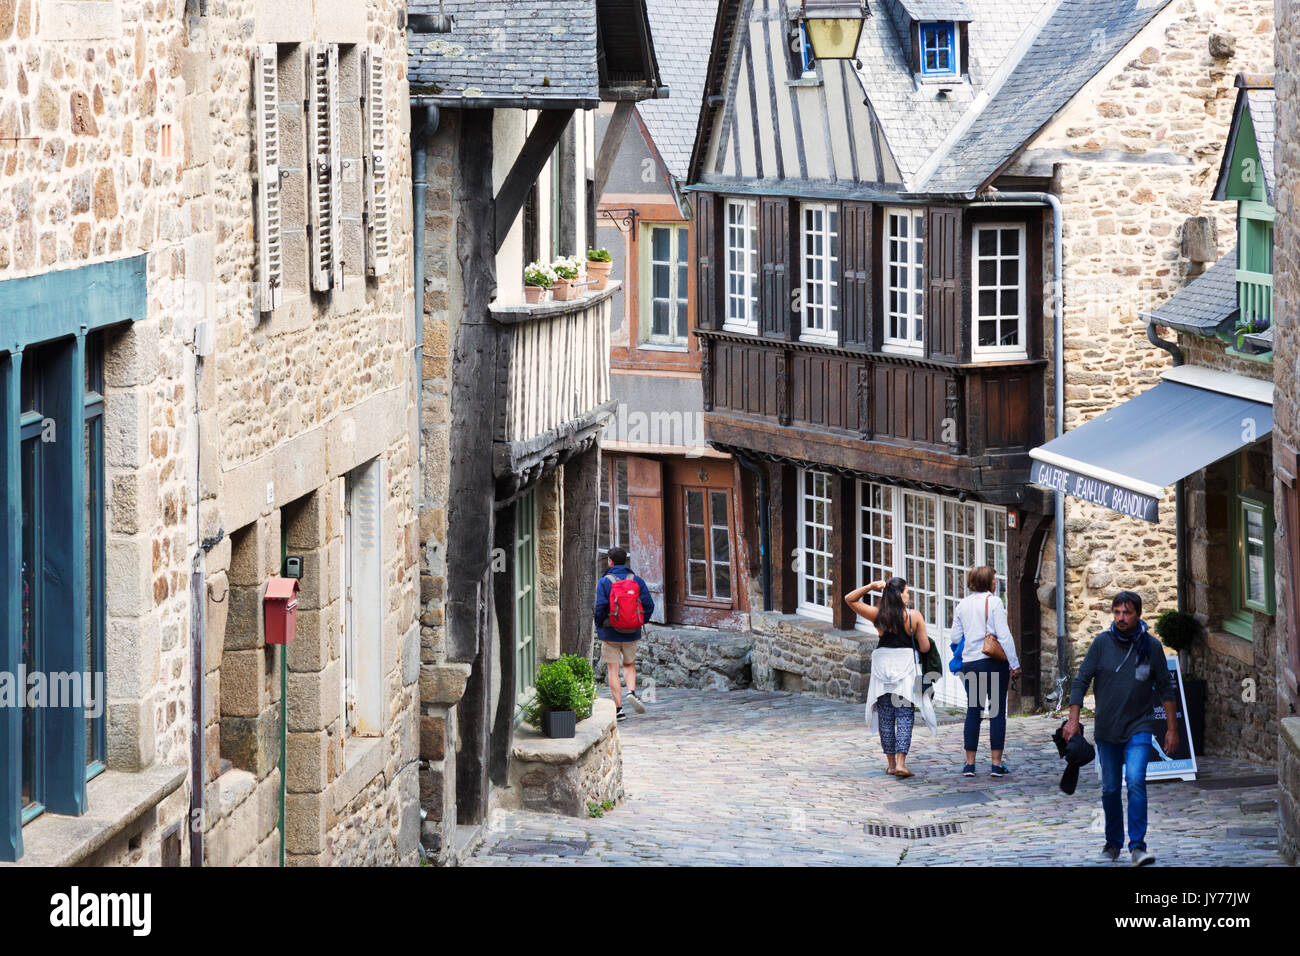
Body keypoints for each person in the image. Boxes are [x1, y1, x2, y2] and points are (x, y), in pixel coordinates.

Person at [1063, 591, 1179, 867]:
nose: (1121, 618)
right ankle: (1113, 843)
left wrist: (1172, 729)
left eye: (1127, 613)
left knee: (1136, 780)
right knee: (1111, 788)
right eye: (1117, 612)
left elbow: (1166, 688)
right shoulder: (1102, 644)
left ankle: (1138, 846)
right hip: (1107, 729)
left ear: (1138, 614)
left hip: (1139, 726)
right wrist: (1072, 719)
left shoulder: (1150, 646)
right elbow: (1081, 681)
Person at [846, 577, 937, 778]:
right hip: (904, 667)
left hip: (882, 668)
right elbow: (924, 647)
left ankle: (890, 764)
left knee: (886, 715)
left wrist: (870, 587)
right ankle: (902, 763)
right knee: (904, 714)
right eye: (906, 591)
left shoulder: (879, 615)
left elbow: (849, 599)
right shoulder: (914, 617)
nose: (908, 595)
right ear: (899, 594)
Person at [947, 566, 1021, 778]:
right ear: (988, 582)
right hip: (993, 663)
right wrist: (1014, 664)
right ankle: (996, 764)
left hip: (972, 663)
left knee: (974, 711)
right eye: (994, 579)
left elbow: (954, 637)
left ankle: (969, 763)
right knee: (996, 712)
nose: (996, 582)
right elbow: (1004, 636)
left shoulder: (962, 605)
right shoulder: (995, 602)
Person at [593, 547, 654, 722]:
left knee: (613, 669)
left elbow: (600, 607)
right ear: (626, 561)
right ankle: (632, 692)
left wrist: (599, 624)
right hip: (631, 631)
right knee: (629, 664)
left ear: (610, 561)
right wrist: (639, 621)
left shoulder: (604, 581)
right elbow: (649, 605)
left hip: (610, 631)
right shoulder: (637, 580)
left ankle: (619, 710)